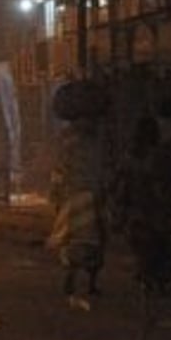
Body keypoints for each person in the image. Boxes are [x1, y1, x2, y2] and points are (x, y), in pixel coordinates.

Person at [110, 115, 171, 290]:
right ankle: (156, 277)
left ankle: (149, 276)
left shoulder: (129, 157)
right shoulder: (157, 156)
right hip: (153, 210)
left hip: (135, 211)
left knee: (146, 247)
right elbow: (163, 185)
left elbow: (119, 184)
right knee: (158, 244)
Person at [48, 116, 106, 304]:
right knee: (94, 240)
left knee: (74, 238)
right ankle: (90, 282)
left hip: (73, 197)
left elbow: (59, 172)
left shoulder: (69, 147)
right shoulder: (97, 147)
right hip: (90, 196)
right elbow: (102, 172)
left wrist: (56, 194)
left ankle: (73, 275)